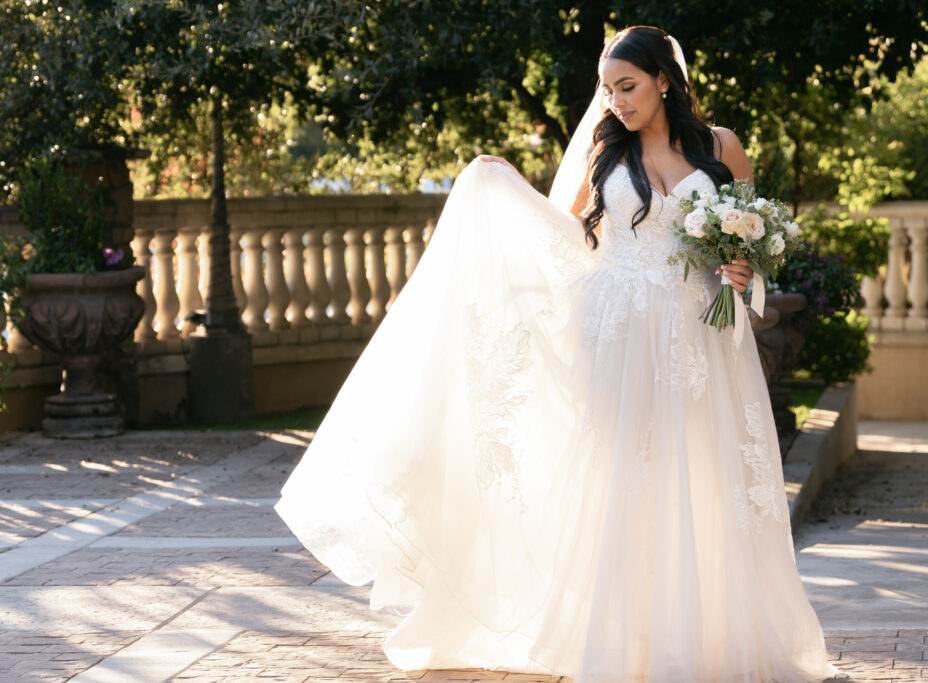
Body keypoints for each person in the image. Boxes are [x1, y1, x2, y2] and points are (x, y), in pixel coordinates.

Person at [277, 25, 838, 682]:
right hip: (618, 333)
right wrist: (504, 186)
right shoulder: (607, 151)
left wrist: (743, 269)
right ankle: (626, 644)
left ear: (664, 80)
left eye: (627, 86)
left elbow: (749, 231)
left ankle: (707, 634)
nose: (615, 101)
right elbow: (566, 232)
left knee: (705, 475)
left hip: (698, 336)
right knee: (628, 479)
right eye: (607, 89)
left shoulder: (721, 148)